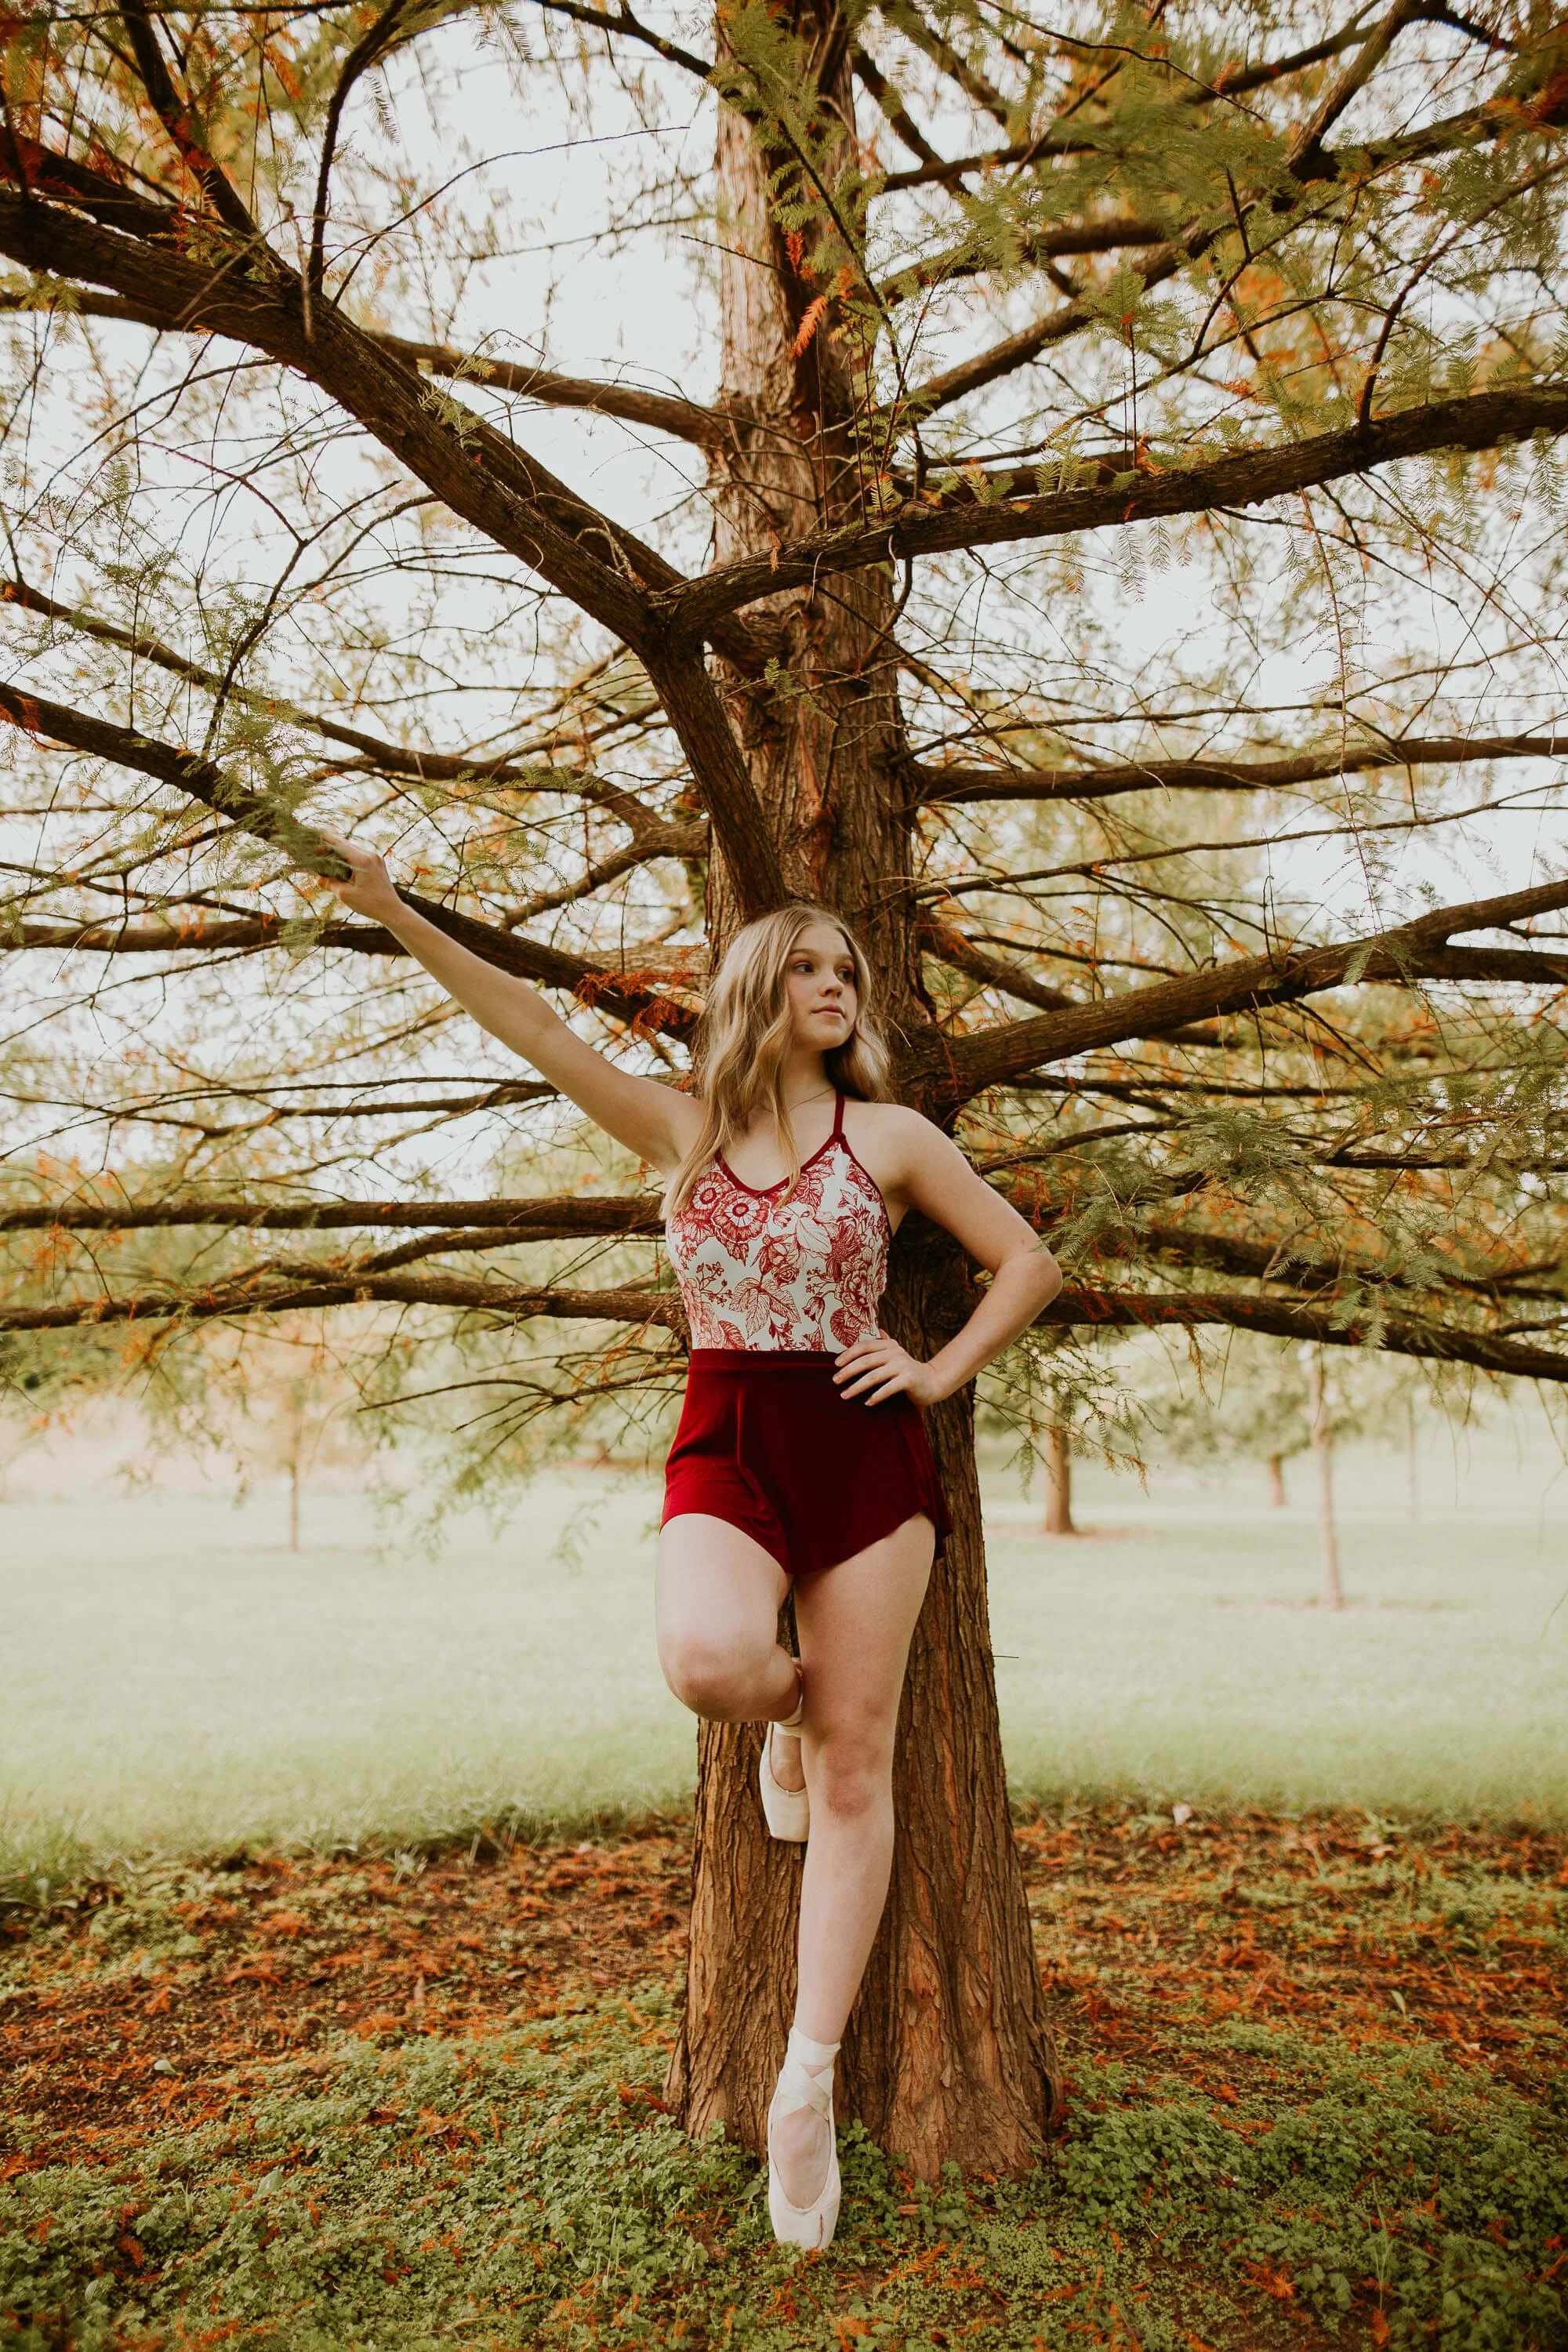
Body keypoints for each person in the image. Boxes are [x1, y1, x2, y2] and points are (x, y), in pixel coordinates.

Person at [321, 844, 1063, 2249]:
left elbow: (1026, 1257)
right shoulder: (684, 1135)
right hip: (728, 1429)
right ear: (754, 987)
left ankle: (804, 2083)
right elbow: (534, 1027)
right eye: (808, 966)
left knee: (862, 1761)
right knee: (713, 1660)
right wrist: (391, 906)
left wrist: (937, 1368)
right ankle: (785, 1721)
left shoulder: (889, 1140)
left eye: (848, 970)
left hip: (861, 1449)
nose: (836, 986)